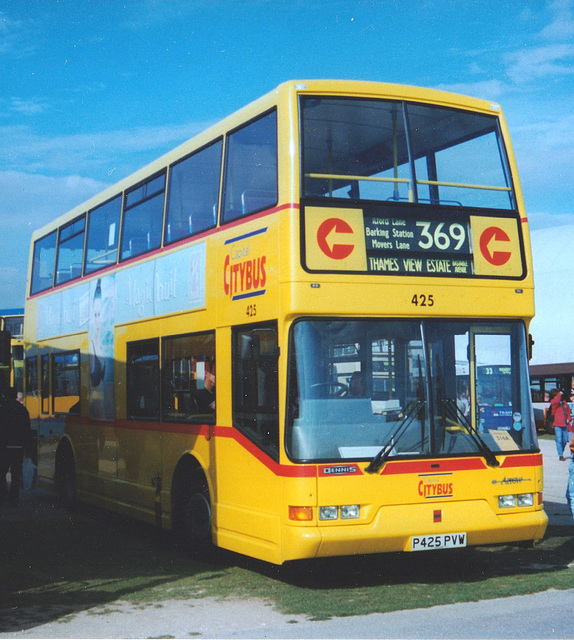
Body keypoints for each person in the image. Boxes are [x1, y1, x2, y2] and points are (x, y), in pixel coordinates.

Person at [0, 386, 32, 507]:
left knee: (2, 472)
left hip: (4, 447)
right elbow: (27, 430)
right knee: (16, 474)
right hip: (18, 447)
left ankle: (3, 495)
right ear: (15, 396)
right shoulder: (23, 410)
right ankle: (14, 499)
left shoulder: (2, 410)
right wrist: (27, 448)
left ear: (6, 396)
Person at [550, 388, 571, 461]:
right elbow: (556, 401)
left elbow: (568, 410)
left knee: (565, 440)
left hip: (565, 424)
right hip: (557, 424)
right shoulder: (554, 402)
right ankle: (560, 455)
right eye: (558, 394)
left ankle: (561, 450)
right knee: (559, 440)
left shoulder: (564, 402)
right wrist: (559, 394)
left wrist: (568, 418)